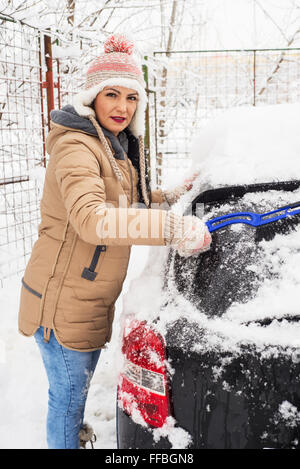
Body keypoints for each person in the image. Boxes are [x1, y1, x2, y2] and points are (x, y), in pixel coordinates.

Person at [18, 34, 212, 449]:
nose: (123, 107)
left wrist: (173, 195)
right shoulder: (76, 147)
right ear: (92, 98)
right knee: (67, 401)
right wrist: (171, 229)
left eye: (131, 97)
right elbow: (93, 218)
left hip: (84, 296)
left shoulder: (112, 146)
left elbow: (130, 201)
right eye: (112, 94)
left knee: (74, 395)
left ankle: (70, 434)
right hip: (62, 302)